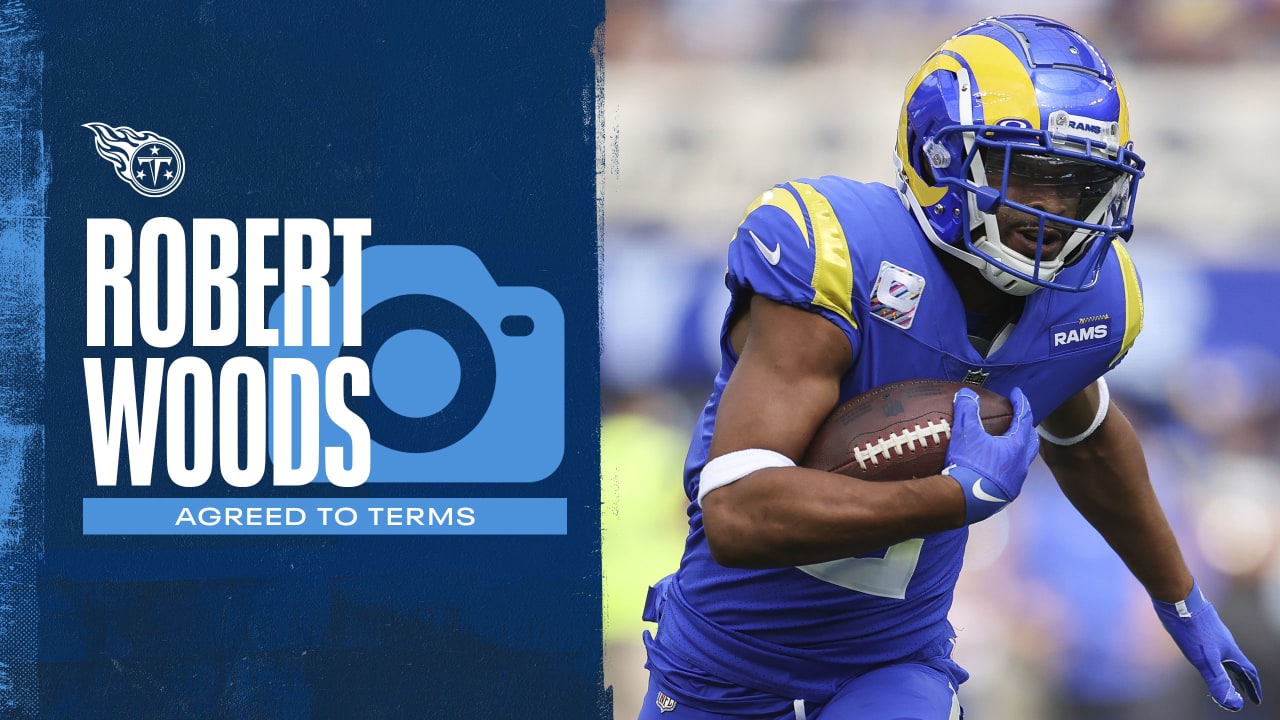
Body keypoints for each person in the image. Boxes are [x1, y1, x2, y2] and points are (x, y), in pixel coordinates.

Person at [635, 14, 1262, 720]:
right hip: (721, 672)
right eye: (1027, 176)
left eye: (1078, 184)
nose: (1054, 211)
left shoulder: (1088, 300)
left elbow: (1087, 437)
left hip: (892, 668)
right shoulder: (843, 254)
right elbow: (739, 514)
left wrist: (1181, 601)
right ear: (940, 158)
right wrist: (951, 498)